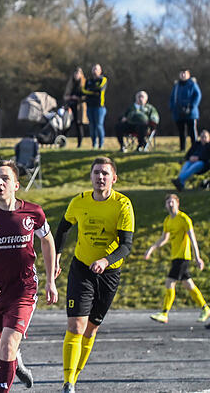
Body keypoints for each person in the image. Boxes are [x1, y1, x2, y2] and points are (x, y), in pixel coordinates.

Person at [0, 160, 58, 392]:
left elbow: (47, 240)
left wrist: (50, 280)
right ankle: (17, 361)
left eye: (5, 178)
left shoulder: (33, 212)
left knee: (7, 346)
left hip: (23, 290)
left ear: (16, 185)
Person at [54, 156, 134, 392]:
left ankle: (75, 376)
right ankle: (68, 383)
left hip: (109, 274)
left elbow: (126, 245)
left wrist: (105, 260)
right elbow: (62, 229)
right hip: (82, 270)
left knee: (91, 329)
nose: (100, 177)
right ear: (90, 177)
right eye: (96, 173)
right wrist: (57, 255)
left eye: (105, 173)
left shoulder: (122, 204)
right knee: (76, 326)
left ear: (114, 178)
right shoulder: (79, 202)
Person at [145, 194, 210, 324]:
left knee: (170, 282)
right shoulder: (168, 220)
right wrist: (151, 249)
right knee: (188, 284)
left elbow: (192, 238)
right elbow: (164, 238)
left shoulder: (184, 219)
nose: (170, 204)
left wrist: (197, 257)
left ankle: (164, 313)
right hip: (175, 257)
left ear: (178, 203)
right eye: (168, 202)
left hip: (183, 257)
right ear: (165, 205)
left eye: (172, 202)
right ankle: (205, 308)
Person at [170, 69, 202, 152]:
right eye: (181, 73)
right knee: (181, 132)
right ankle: (182, 148)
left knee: (192, 131)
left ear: (188, 75)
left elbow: (197, 96)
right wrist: (173, 108)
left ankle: (195, 149)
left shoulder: (192, 84)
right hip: (178, 113)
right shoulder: (176, 86)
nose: (183, 75)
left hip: (190, 113)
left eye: (185, 73)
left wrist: (191, 107)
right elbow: (172, 98)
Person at [82, 64, 108, 149]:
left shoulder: (103, 79)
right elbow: (84, 91)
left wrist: (91, 90)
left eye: (96, 69)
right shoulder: (88, 80)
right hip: (89, 106)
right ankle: (94, 144)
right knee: (92, 126)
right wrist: (93, 92)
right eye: (93, 69)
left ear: (100, 71)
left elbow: (100, 89)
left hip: (99, 107)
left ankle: (101, 144)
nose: (95, 71)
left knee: (99, 125)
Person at [63, 68, 87, 148]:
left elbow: (86, 96)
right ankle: (63, 142)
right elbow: (65, 96)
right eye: (75, 73)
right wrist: (70, 97)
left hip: (79, 108)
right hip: (70, 107)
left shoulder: (84, 83)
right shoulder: (71, 83)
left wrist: (78, 98)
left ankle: (79, 144)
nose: (76, 75)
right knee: (67, 125)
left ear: (81, 74)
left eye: (78, 73)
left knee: (79, 125)